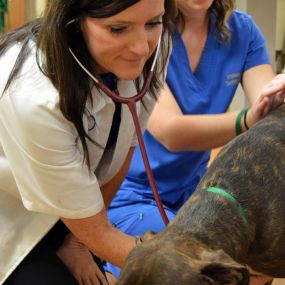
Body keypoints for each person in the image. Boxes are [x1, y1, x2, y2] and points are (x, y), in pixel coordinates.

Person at [104, 0, 285, 283]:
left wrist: (280, 91)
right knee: (163, 273)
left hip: (198, 193)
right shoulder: (147, 32)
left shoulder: (242, 31)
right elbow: (172, 132)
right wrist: (247, 118)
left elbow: (271, 107)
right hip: (137, 192)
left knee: (255, 271)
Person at [0, 1, 177, 284]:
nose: (142, 48)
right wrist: (191, 270)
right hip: (11, 218)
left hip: (71, 202)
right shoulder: (33, 96)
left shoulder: (153, 51)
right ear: (74, 23)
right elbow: (103, 236)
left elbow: (124, 146)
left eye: (153, 23)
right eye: (118, 28)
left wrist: (80, 242)